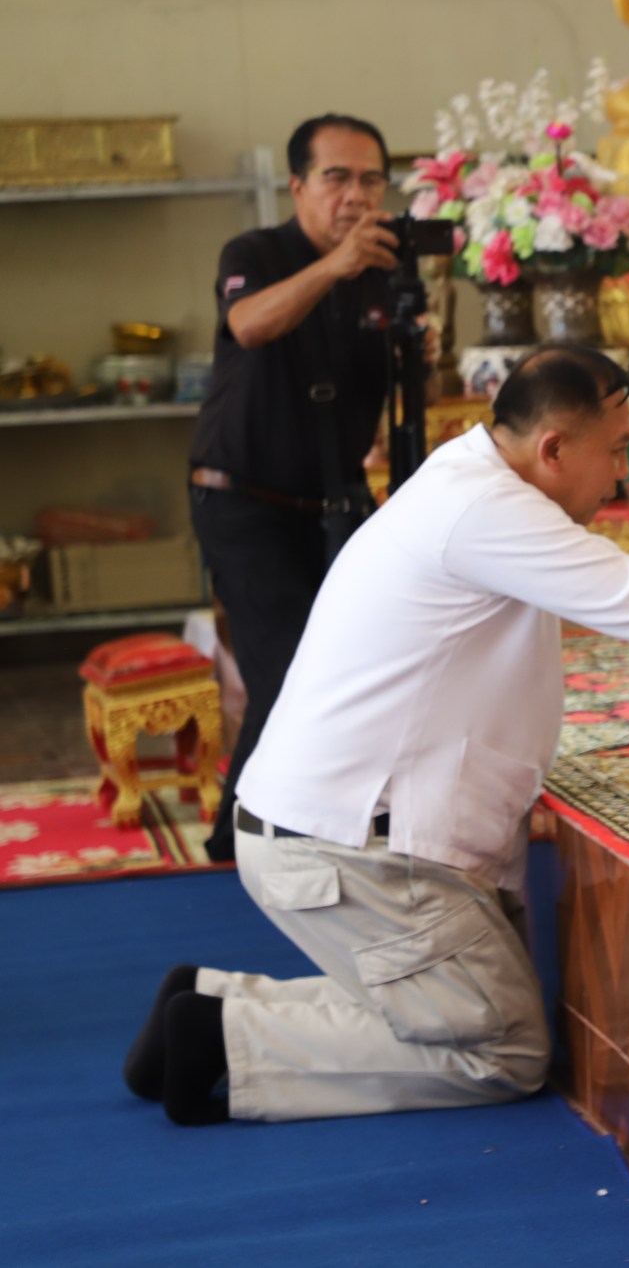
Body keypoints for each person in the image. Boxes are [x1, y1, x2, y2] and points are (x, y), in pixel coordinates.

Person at [124, 345, 629, 1125]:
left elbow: (626, 591)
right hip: (349, 848)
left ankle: (217, 1000)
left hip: (339, 830)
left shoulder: (474, 481)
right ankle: (223, 1038)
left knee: (476, 1008)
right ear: (553, 447)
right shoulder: (482, 508)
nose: (622, 474)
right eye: (615, 452)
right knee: (499, 1051)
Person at [187, 113, 424, 864]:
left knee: (365, 659)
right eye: (337, 178)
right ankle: (241, 839)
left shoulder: (384, 272)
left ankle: (311, 818)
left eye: (371, 180)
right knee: (287, 669)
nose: (356, 195)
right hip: (242, 501)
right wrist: (337, 267)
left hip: (334, 501)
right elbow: (249, 324)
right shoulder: (256, 251)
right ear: (298, 186)